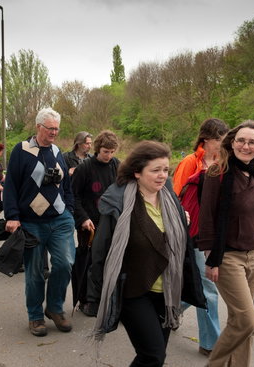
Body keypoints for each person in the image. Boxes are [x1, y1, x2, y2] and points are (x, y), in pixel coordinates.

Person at [88, 140, 194, 367]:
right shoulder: (119, 204)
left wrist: (181, 222)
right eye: (155, 170)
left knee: (154, 356)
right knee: (153, 356)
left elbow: (180, 245)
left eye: (165, 170)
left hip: (166, 290)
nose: (162, 175)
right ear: (137, 172)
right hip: (133, 291)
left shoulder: (169, 199)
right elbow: (101, 249)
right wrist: (95, 294)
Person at [197, 120, 254, 367]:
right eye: (241, 141)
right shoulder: (217, 173)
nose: (246, 146)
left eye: (252, 142)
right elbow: (207, 220)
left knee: (240, 322)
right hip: (228, 258)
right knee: (247, 320)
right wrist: (212, 259)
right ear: (232, 143)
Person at [3, 108, 75, 337]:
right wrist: (12, 216)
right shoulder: (21, 150)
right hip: (31, 222)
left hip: (60, 219)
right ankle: (35, 316)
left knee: (65, 264)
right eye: (50, 128)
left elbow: (66, 186)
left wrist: (70, 210)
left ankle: (54, 308)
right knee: (34, 272)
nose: (54, 132)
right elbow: (11, 185)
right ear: (38, 127)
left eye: (56, 128)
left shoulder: (56, 151)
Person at [172, 118, 228, 356]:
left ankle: (170, 310)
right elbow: (174, 196)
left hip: (216, 233)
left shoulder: (225, 163)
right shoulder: (190, 162)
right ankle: (211, 344)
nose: (223, 144)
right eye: (220, 140)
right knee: (208, 287)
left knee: (199, 285)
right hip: (193, 233)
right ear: (206, 139)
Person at [71, 130, 120, 316]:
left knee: (109, 263)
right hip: (89, 224)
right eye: (106, 151)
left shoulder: (116, 166)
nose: (109, 155)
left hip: (111, 223)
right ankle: (86, 300)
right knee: (88, 262)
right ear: (98, 149)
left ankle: (105, 299)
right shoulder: (84, 168)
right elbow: (73, 197)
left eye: (112, 152)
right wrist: (83, 218)